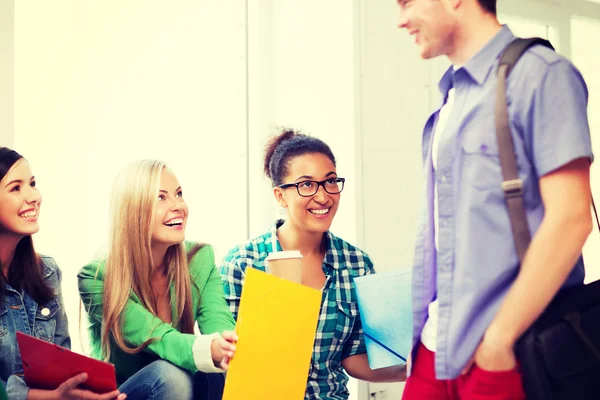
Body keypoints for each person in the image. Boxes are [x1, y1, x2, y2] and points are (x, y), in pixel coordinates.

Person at [396, 0, 593, 398]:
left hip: (509, 351)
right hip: (434, 350)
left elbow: (572, 217)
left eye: (406, 2)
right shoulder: (449, 101)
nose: (401, 20)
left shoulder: (540, 75)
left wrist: (499, 341)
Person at [220, 129, 406, 400]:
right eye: (306, 185)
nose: (323, 197)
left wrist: (414, 368)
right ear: (280, 196)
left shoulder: (356, 264)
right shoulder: (242, 264)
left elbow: (353, 358)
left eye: (330, 181)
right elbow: (230, 360)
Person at [78, 160, 237, 400]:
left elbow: (221, 327)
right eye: (161, 198)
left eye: (179, 194)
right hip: (120, 394)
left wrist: (229, 346)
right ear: (133, 210)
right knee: (171, 374)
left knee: (216, 371)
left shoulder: (199, 259)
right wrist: (210, 349)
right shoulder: (97, 277)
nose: (178, 206)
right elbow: (159, 339)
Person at [0, 147, 124, 400]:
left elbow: (60, 362)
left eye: (32, 184)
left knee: (162, 377)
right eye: (16, 188)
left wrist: (82, 390)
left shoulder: (47, 271)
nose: (33, 196)